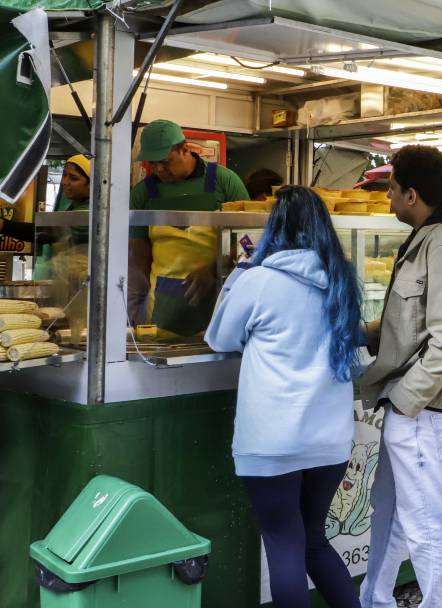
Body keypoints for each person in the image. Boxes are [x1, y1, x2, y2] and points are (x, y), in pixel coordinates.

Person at [204, 186, 361, 608]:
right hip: (330, 440)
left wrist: (238, 273)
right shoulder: (341, 280)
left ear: (274, 227)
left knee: (283, 545)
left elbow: (218, 338)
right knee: (313, 542)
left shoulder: (258, 281)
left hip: (271, 442)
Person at [359, 145, 442, 608]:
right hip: (415, 407)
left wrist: (405, 400)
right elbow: (412, 324)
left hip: (426, 408)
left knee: (426, 521)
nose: (388, 199)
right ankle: (375, 599)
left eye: (392, 190)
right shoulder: (428, 237)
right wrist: (359, 332)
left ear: (412, 194)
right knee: (392, 514)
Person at [128, 120, 250, 337]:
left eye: (165, 162)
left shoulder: (225, 181)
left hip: (219, 297)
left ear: (185, 149)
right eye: (152, 163)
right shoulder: (142, 194)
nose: (158, 169)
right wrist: (133, 305)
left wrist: (214, 269)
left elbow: (248, 243)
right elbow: (138, 255)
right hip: (161, 307)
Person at [0, 154, 92, 245]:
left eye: (73, 178)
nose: (64, 182)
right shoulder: (74, 206)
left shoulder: (89, 213)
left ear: (90, 185)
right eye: (64, 175)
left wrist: (3, 225)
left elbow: (48, 231)